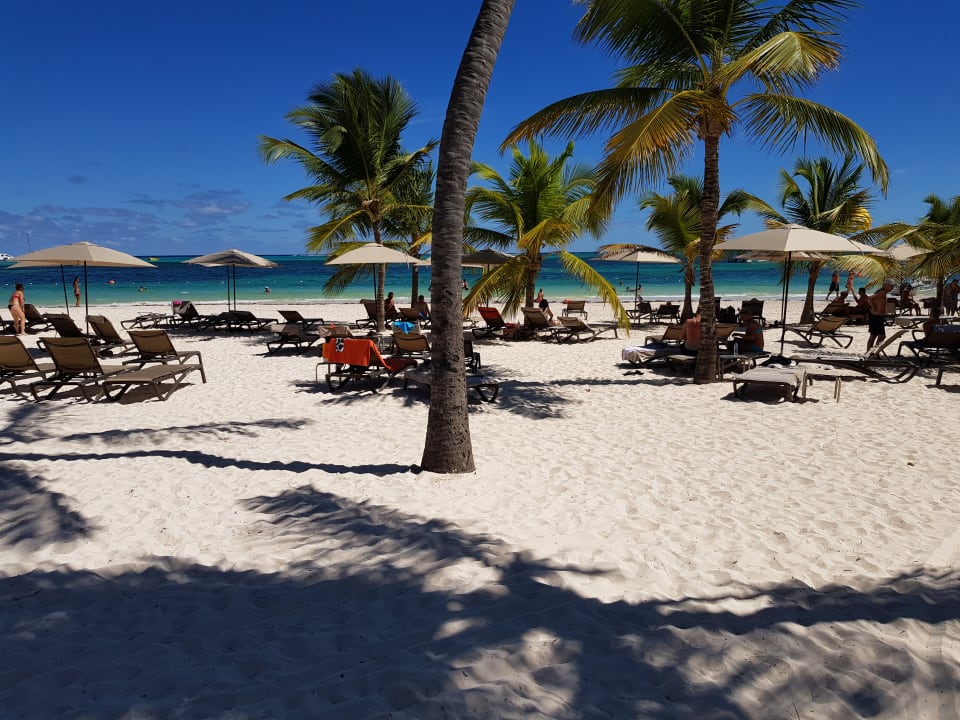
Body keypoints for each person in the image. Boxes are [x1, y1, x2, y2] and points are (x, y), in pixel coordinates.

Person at [866, 278, 895, 351]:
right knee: (881, 336)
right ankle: (874, 353)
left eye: (893, 286)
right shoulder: (882, 292)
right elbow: (869, 299)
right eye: (891, 286)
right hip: (876, 316)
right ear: (885, 285)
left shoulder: (883, 292)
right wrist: (874, 308)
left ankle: (870, 353)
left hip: (876, 316)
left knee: (874, 335)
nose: (892, 287)